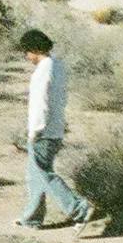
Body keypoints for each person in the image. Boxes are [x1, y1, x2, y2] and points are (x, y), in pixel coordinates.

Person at [14, 27, 91, 230]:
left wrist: (35, 131)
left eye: (27, 51)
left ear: (34, 49)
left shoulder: (43, 70)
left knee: (43, 173)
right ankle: (31, 218)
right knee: (35, 175)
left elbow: (41, 103)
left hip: (44, 131)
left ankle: (79, 209)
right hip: (55, 128)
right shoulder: (58, 65)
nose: (26, 56)